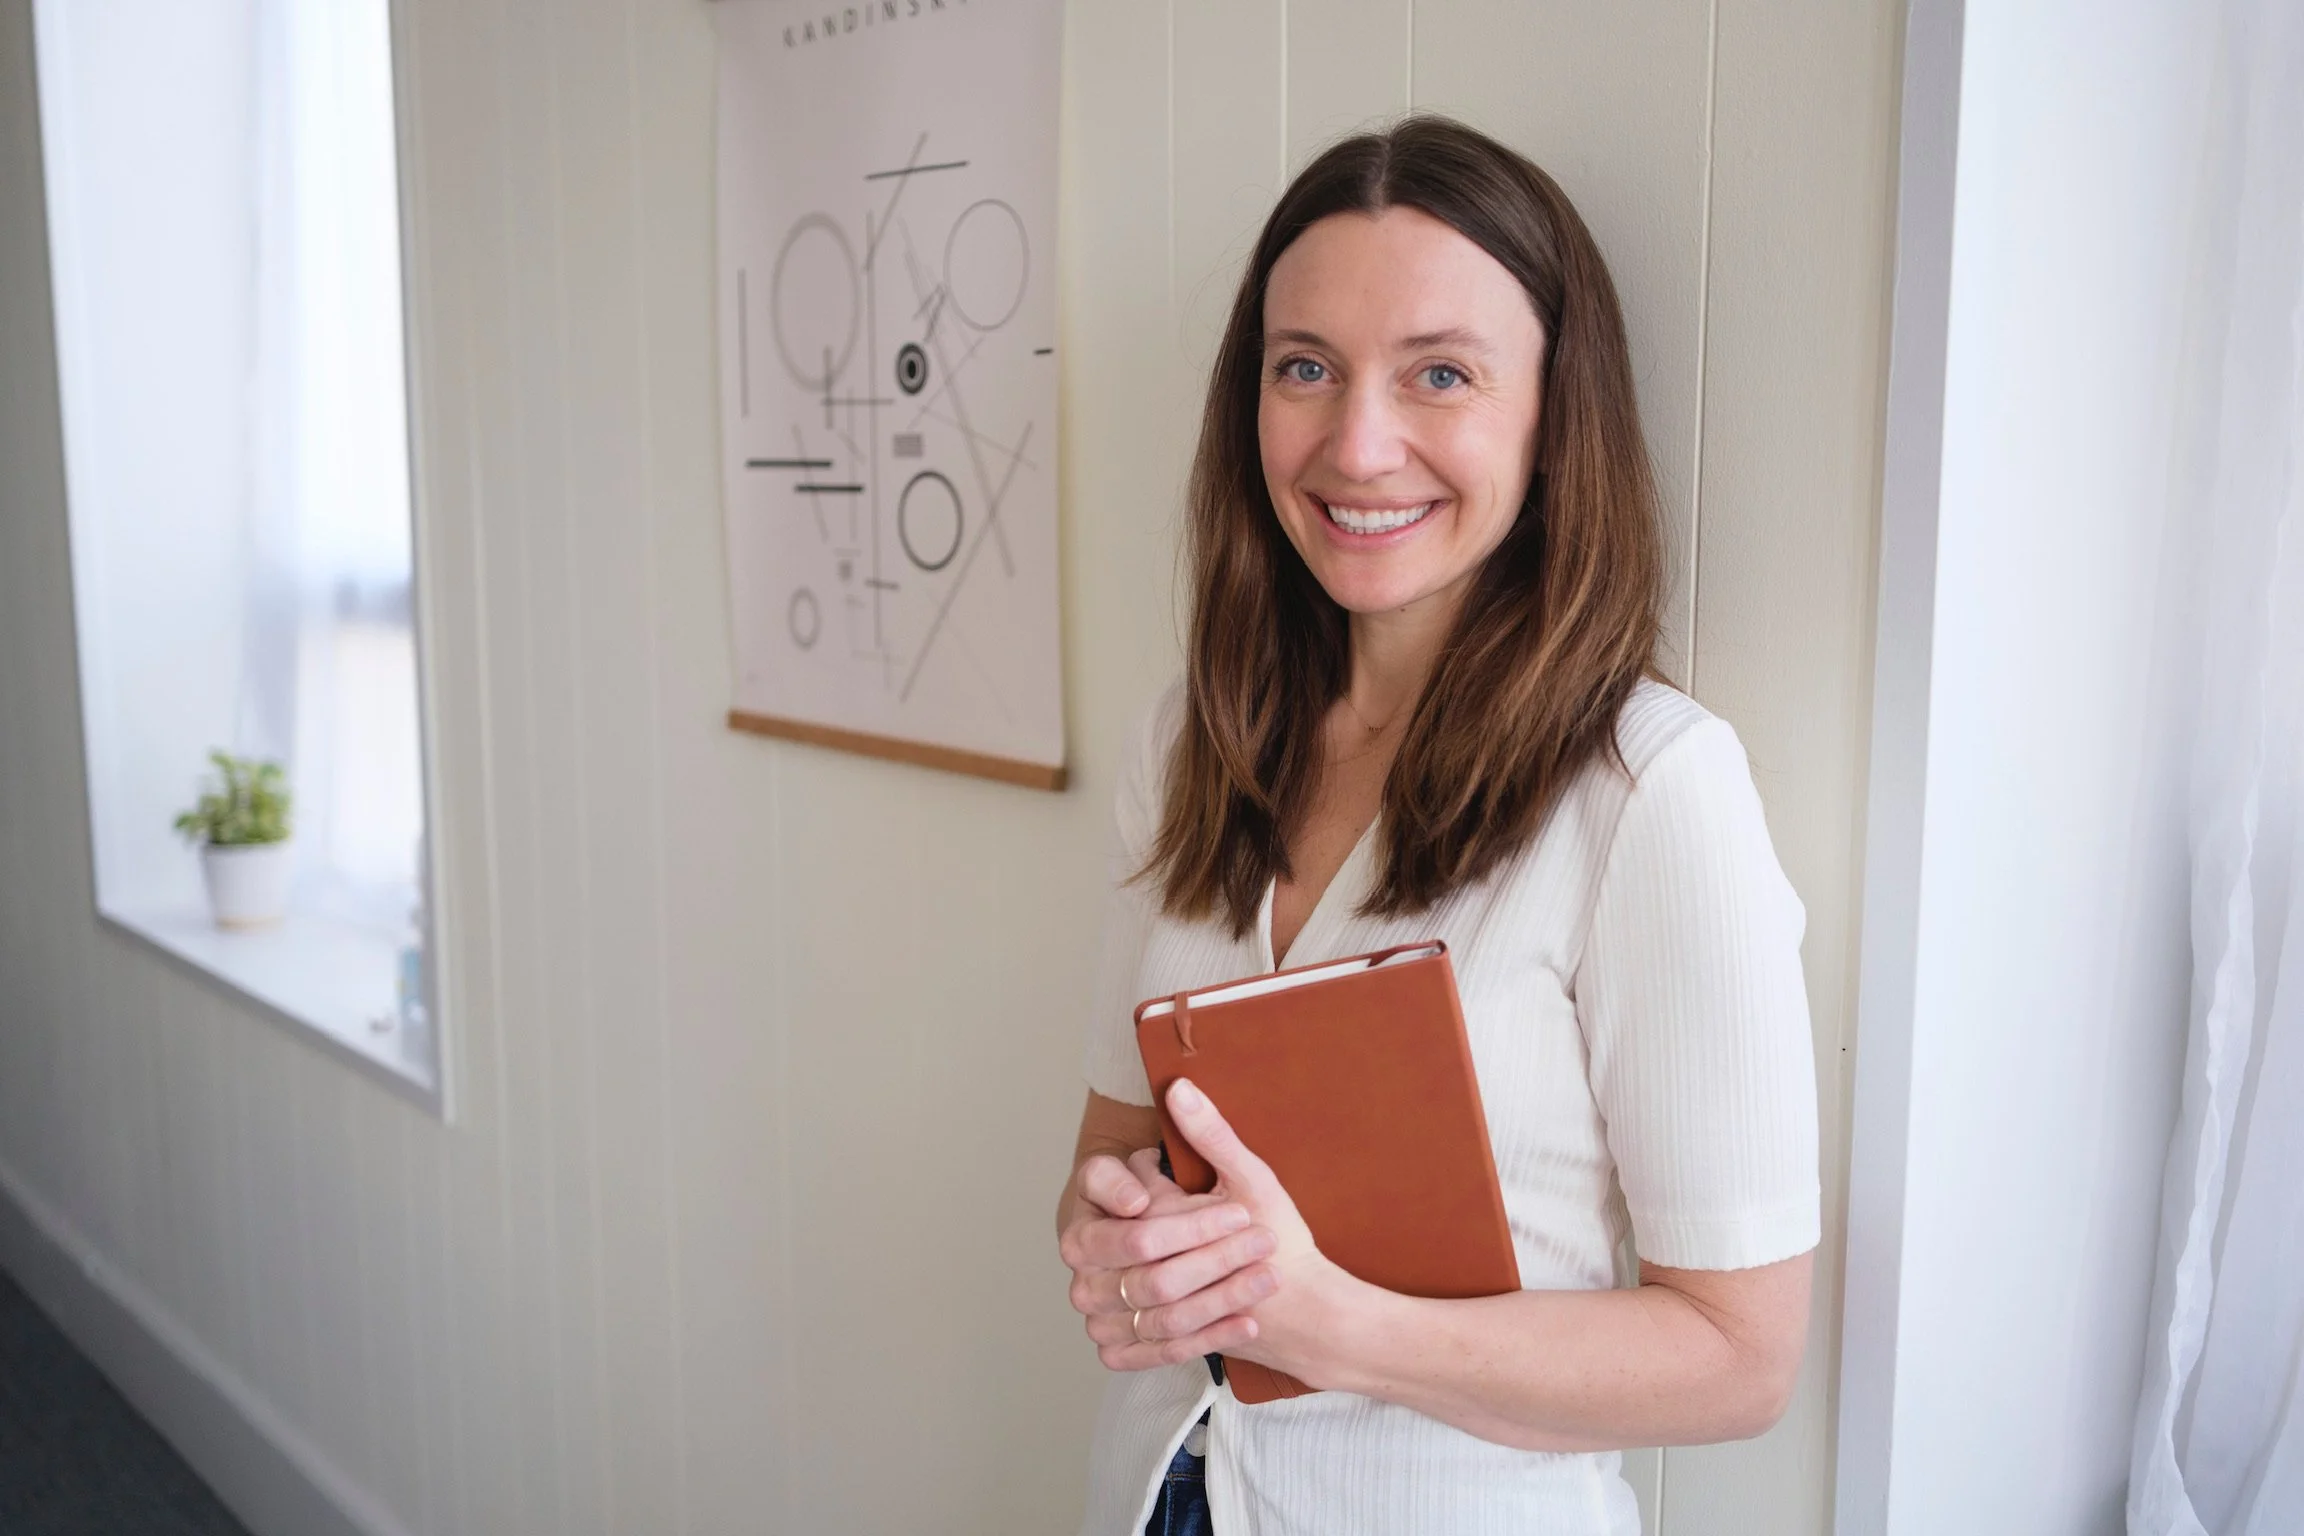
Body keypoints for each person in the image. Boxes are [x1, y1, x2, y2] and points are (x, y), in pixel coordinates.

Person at [1054, 115, 1820, 1536]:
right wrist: (1122, 1248)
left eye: (1441, 375)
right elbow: (1109, 1166)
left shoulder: (1653, 792)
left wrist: (1330, 1324)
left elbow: (1742, 1358)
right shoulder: (1194, 736)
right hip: (1162, 1497)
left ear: (1553, 412)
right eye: (1306, 370)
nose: (1357, 443)